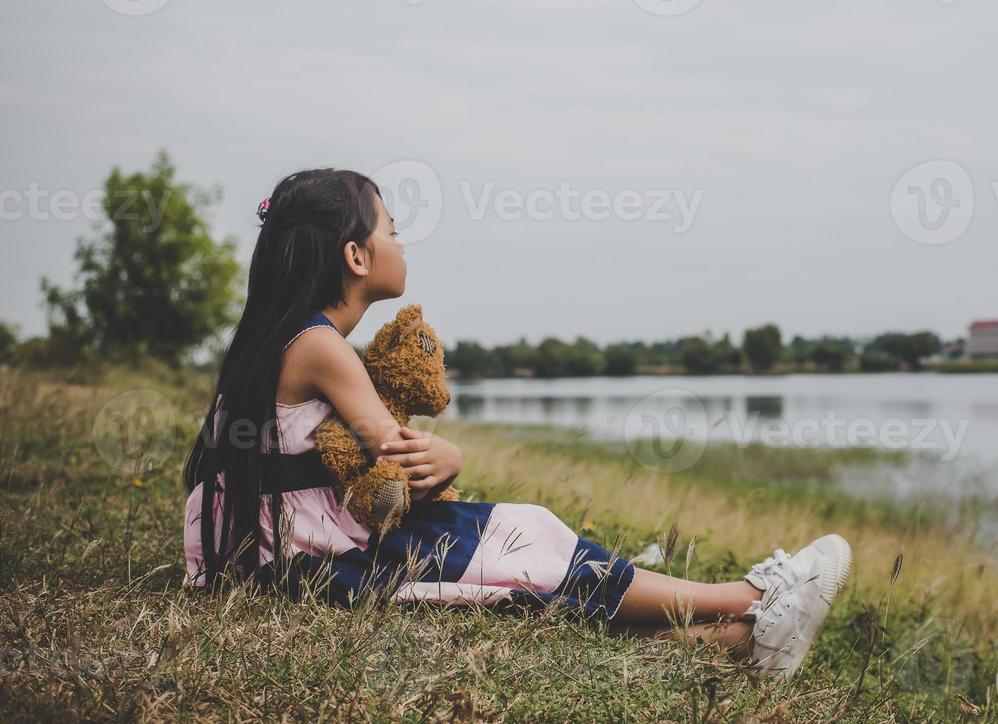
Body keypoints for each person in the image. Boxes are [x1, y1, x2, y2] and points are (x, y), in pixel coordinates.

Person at [181, 167, 851, 676]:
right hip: (306, 563)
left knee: (518, 586)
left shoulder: (282, 341)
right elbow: (395, 460)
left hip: (272, 552)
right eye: (391, 230)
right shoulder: (320, 345)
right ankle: (748, 595)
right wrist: (448, 459)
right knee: (521, 537)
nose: (401, 243)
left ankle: (743, 642)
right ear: (355, 258)